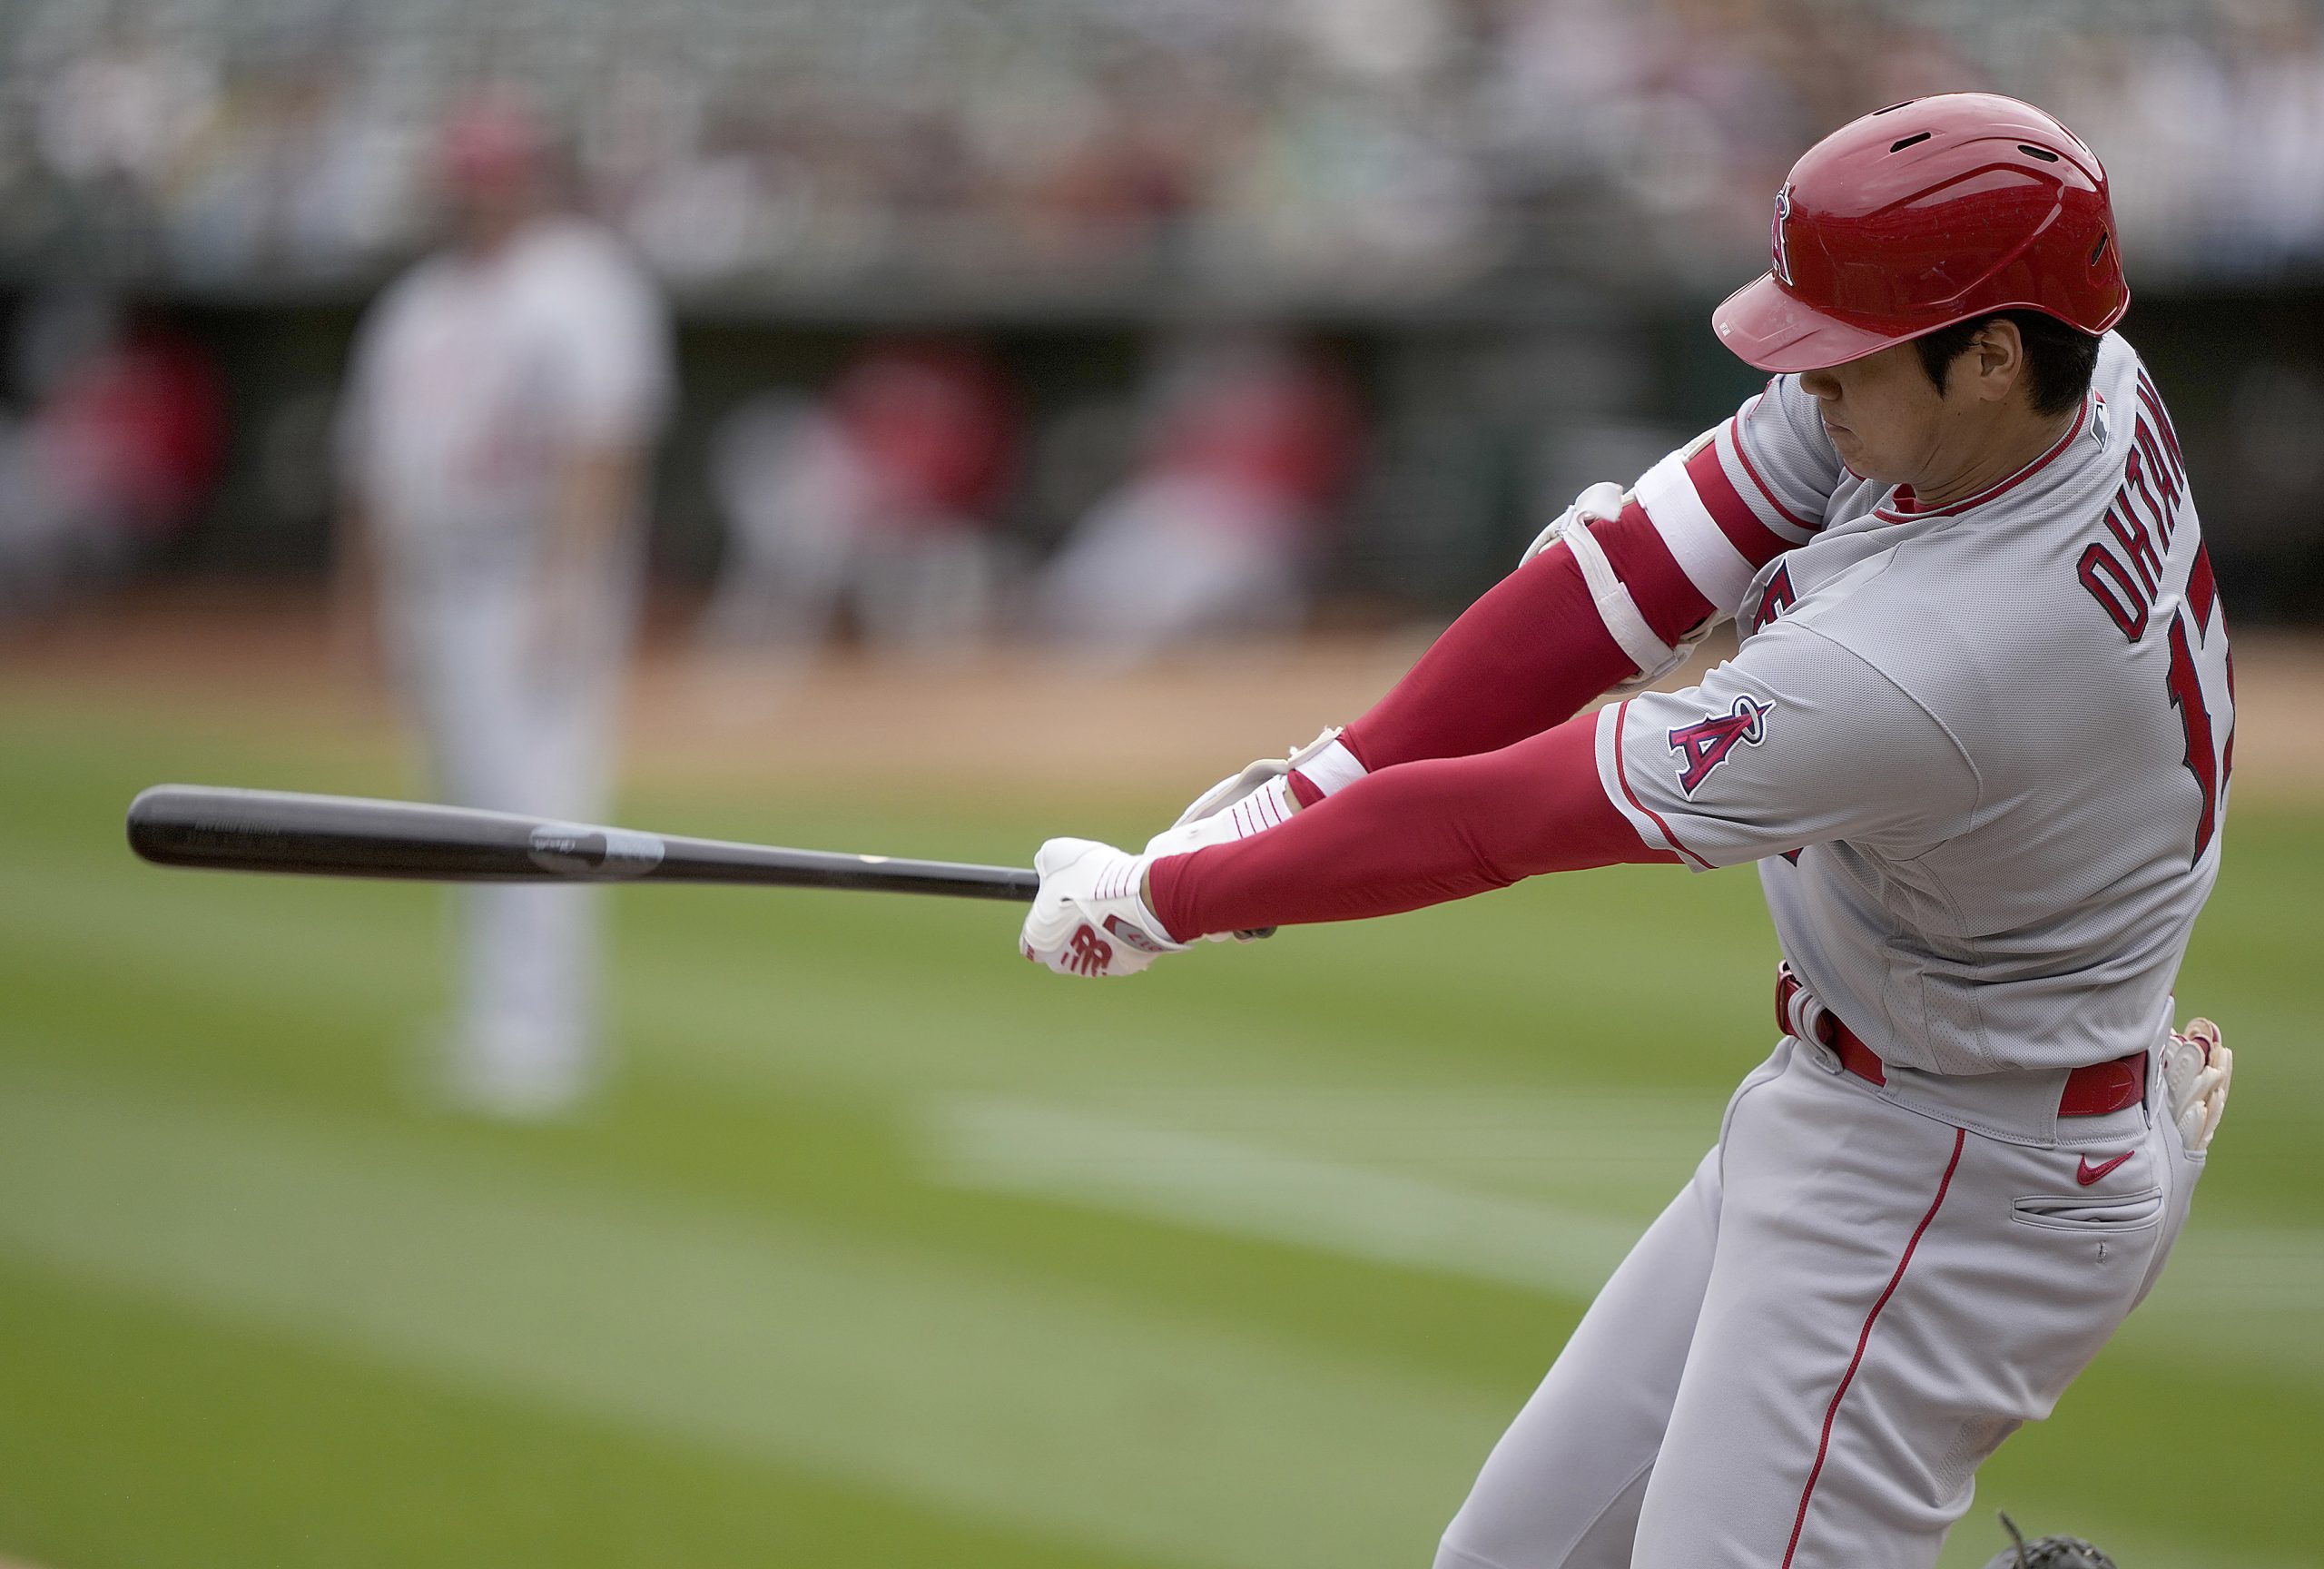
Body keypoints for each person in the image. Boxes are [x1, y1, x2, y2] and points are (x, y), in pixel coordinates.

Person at [1018, 94, 2235, 1568]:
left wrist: (1174, 896)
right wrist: (1316, 781)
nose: (1812, 383)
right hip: (1893, 1093)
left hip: (1958, 1188)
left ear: (1985, 355)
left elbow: (1506, 815)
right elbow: (1634, 570)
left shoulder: (1937, 658)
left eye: (1844, 353)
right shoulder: (2054, 373)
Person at [337, 92, 674, 1116]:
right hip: (438, 570)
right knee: (459, 800)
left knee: (540, 800)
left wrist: (567, 584)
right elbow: (375, 468)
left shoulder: (579, 283)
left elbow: (603, 440)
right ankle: (495, 1016)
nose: (477, 196)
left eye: (493, 175)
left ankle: (544, 1032)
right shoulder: (419, 301)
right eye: (465, 177)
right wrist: (367, 600)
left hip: (532, 568)